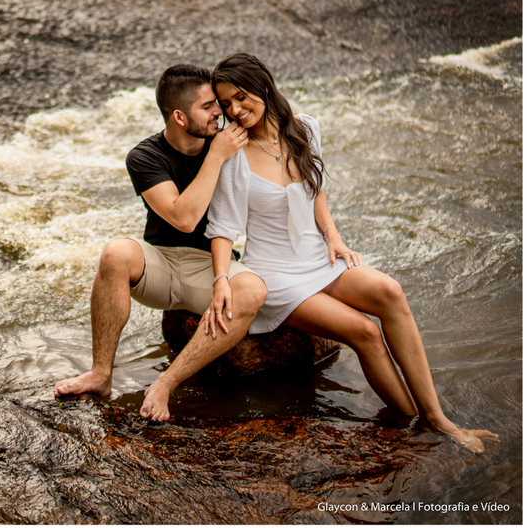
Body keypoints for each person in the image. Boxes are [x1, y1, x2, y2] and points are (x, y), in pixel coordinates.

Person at [202, 52, 499, 453]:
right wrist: (223, 279)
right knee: (365, 331)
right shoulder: (231, 152)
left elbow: (315, 186)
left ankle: (435, 417)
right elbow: (222, 227)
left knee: (390, 292)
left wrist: (333, 236)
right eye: (225, 104)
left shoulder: (304, 127)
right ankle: (418, 425)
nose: (235, 110)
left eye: (240, 97)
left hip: (316, 257)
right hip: (275, 272)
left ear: (264, 86)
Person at [53, 64, 267, 420]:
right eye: (209, 106)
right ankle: (100, 374)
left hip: (209, 265)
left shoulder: (229, 139)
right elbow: (183, 218)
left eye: (220, 103)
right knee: (116, 252)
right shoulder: (145, 156)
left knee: (253, 290)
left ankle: (165, 384)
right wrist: (215, 156)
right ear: (180, 117)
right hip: (161, 264)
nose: (221, 112)